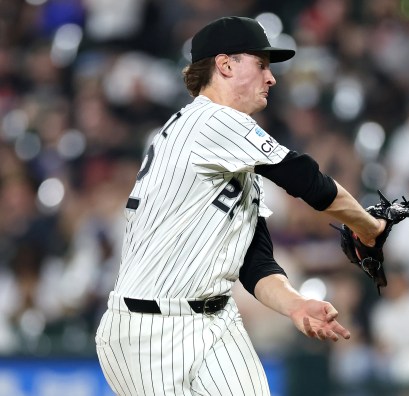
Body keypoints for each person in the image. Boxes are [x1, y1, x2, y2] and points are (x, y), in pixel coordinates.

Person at [95, 16, 386, 396]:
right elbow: (304, 179)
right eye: (261, 64)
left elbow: (254, 261)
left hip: (216, 321)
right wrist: (369, 227)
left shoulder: (233, 156)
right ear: (225, 65)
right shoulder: (210, 120)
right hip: (148, 331)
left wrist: (296, 304)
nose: (272, 78)